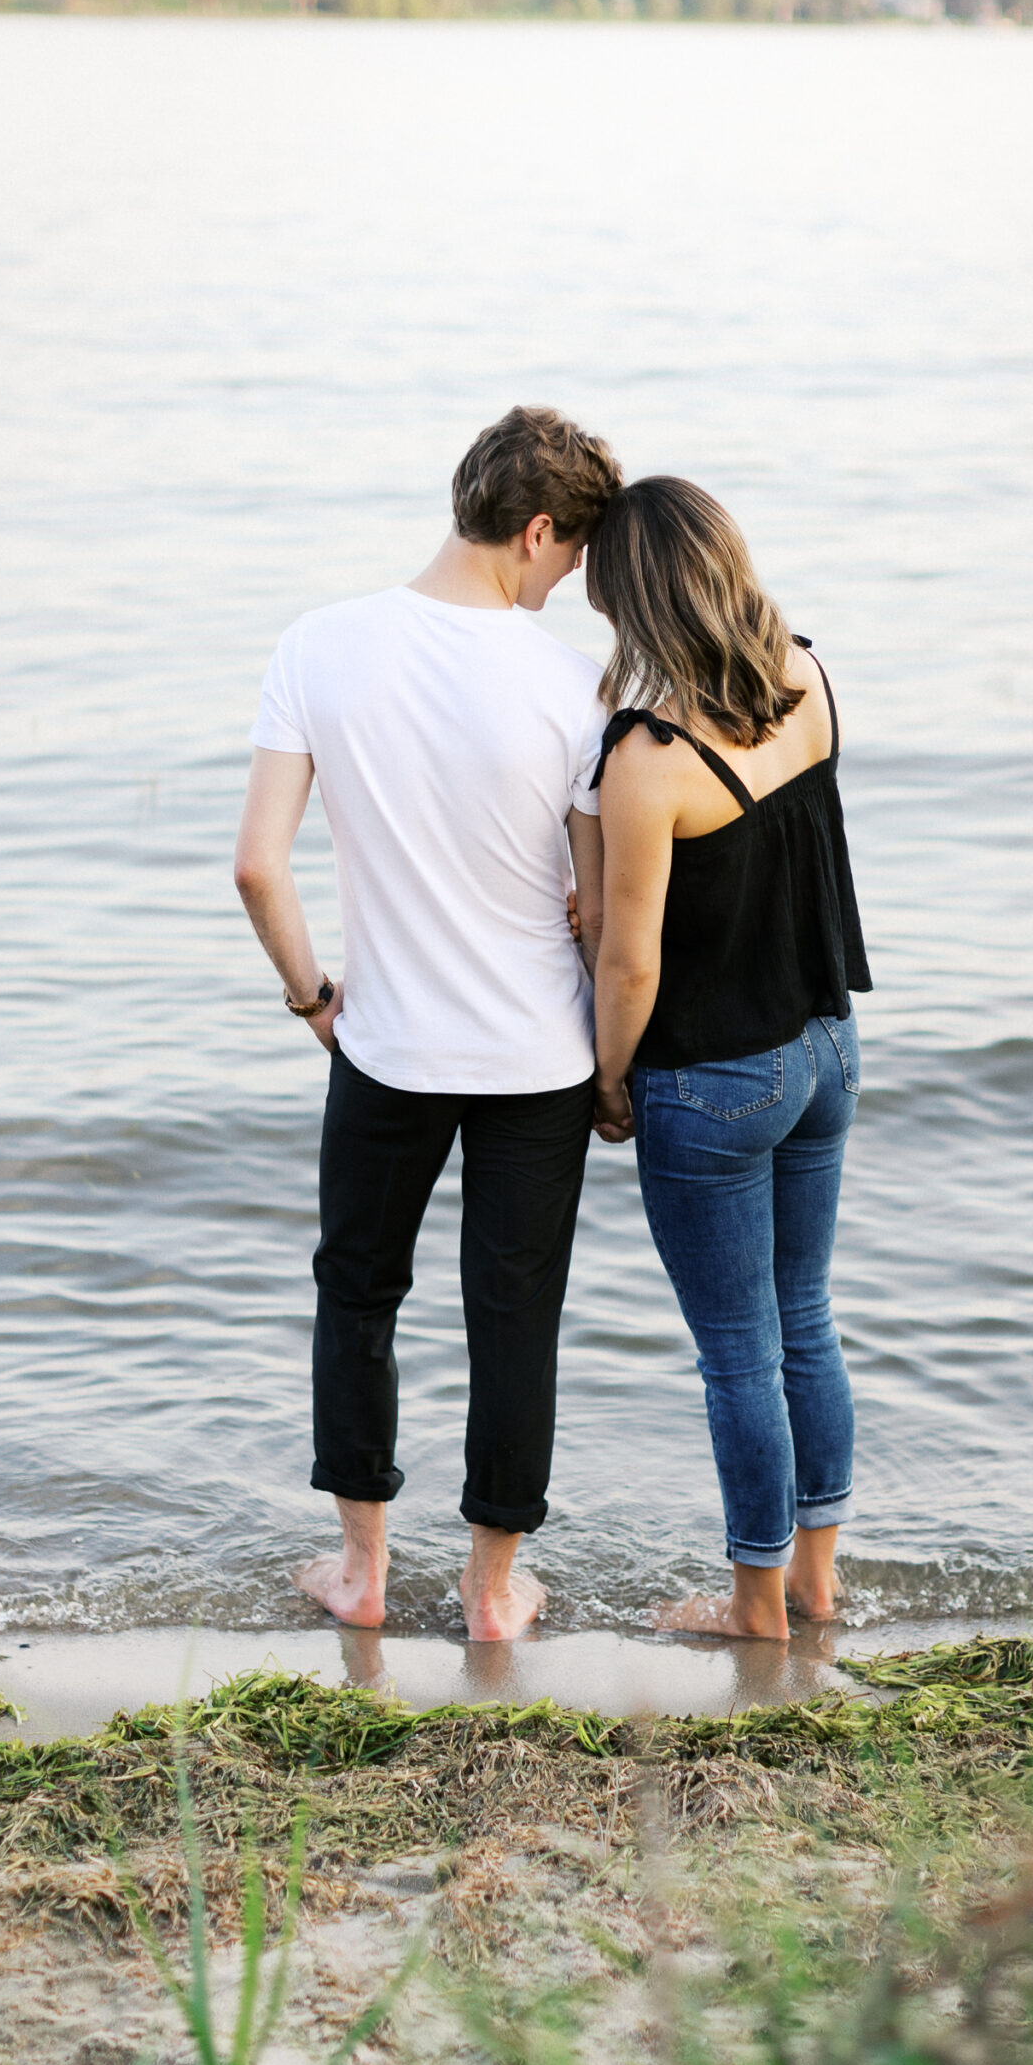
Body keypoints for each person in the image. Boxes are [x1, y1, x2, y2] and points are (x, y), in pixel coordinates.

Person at [234, 406, 620, 1642]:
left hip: (385, 1047)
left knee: (358, 1294)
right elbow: (599, 908)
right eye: (571, 562)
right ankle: (493, 1592)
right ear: (538, 529)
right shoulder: (573, 683)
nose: (571, 587)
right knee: (515, 1316)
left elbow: (256, 866)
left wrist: (313, 1000)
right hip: (540, 1059)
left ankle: (361, 1572)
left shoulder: (319, 642)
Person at [583, 477, 872, 1640]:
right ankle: (817, 1580)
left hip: (712, 1079)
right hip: (826, 1046)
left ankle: (755, 1606)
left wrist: (609, 1081)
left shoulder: (646, 757)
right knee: (806, 1316)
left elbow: (631, 966)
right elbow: (761, 862)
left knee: (738, 1355)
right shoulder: (810, 675)